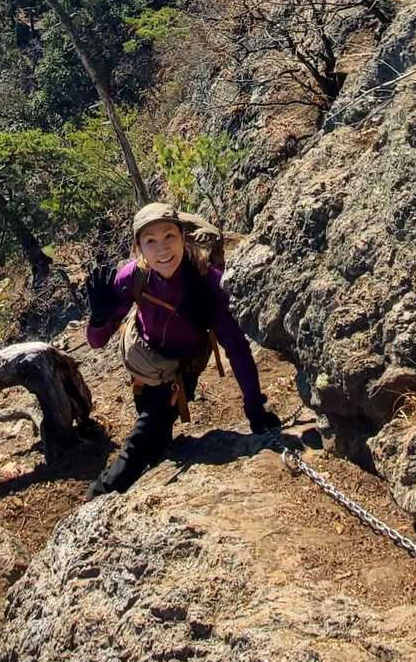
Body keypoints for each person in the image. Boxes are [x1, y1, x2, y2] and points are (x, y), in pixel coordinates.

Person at [83, 201, 280, 498]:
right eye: (151, 241)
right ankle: (151, 469)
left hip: (179, 375)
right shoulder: (133, 277)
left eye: (169, 236)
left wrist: (254, 408)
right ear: (138, 248)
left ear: (182, 237)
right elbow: (96, 341)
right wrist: (98, 318)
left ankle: (98, 495)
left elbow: (236, 347)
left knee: (139, 444)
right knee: (156, 439)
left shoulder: (207, 282)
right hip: (144, 369)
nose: (162, 248)